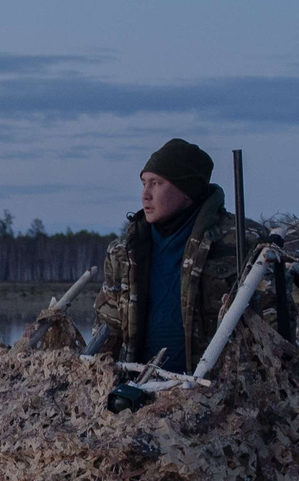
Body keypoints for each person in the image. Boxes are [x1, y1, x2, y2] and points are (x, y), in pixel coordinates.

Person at [88, 138, 252, 373]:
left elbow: (268, 327)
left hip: (216, 394)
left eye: (156, 183)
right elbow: (108, 329)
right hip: (140, 392)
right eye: (144, 183)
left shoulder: (240, 242)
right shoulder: (123, 252)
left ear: (187, 191)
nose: (145, 195)